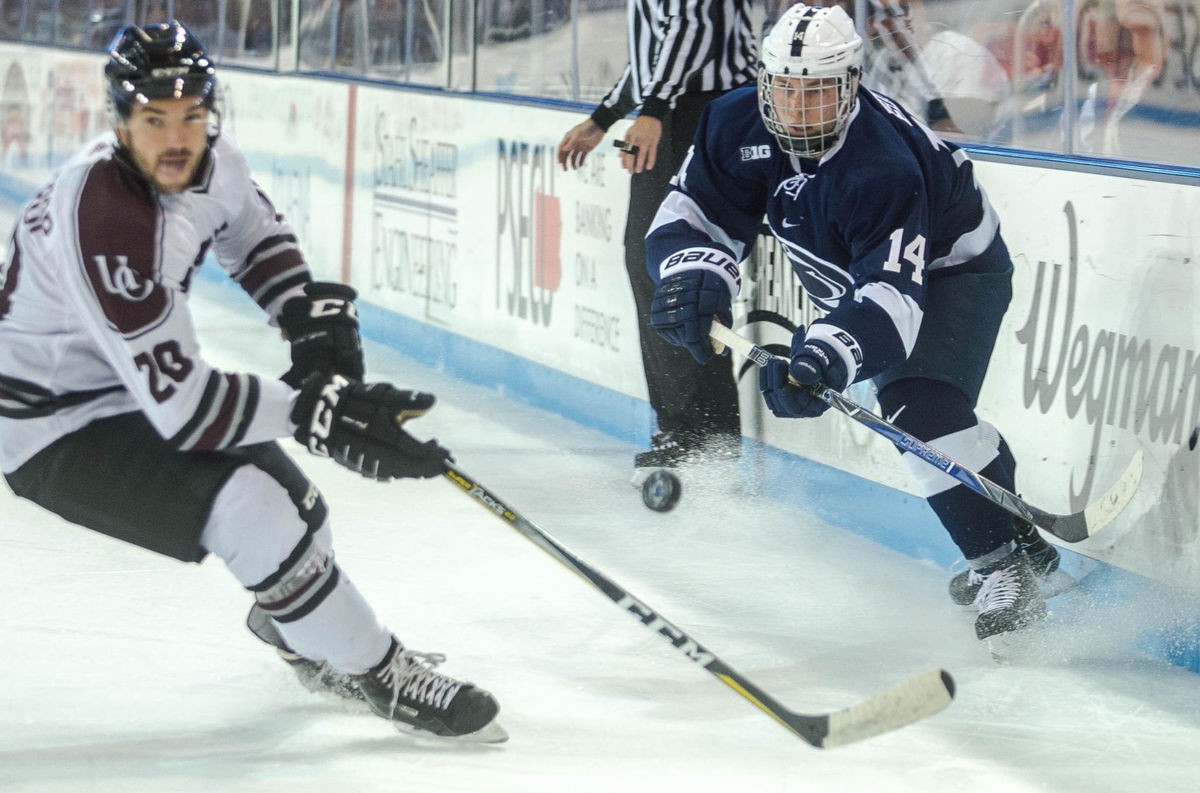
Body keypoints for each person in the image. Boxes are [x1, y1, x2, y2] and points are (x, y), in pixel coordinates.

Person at [0, 21, 505, 742]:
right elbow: (185, 411)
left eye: (193, 117)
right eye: (154, 120)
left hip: (118, 386)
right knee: (253, 511)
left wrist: (304, 318)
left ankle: (299, 629)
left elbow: (253, 233)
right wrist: (315, 411)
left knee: (305, 518)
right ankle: (382, 670)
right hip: (53, 427)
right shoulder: (106, 220)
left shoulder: (210, 160)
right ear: (118, 122)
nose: (177, 138)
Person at [643, 4, 1059, 641]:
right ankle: (1018, 534)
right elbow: (693, 214)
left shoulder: (880, 165)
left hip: (955, 271)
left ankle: (1001, 567)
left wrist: (825, 356)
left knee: (920, 411)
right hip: (859, 273)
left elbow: (891, 299)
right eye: (784, 87)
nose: (797, 106)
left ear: (852, 85)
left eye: (817, 91)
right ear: (764, 81)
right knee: (931, 417)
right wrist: (692, 270)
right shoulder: (732, 121)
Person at [555, 0, 757, 478]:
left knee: (667, 266)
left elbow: (690, 24)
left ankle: (693, 431)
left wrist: (654, 110)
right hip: (681, 109)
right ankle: (703, 432)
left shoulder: (674, 101)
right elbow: (660, 45)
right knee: (664, 266)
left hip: (693, 112)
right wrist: (605, 117)